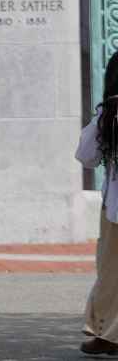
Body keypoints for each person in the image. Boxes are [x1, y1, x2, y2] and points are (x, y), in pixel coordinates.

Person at [78, 51, 118, 355]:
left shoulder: (110, 116)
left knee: (111, 271)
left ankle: (106, 333)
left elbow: (86, 156)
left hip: (115, 208)